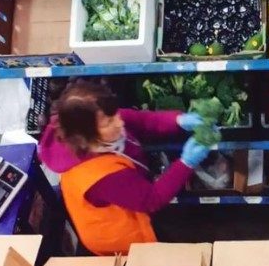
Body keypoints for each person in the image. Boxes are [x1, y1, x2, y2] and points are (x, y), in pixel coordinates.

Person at [39, 81, 211, 256]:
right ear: (84, 137)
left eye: (115, 114)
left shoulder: (101, 120)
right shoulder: (99, 176)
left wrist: (177, 120)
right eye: (109, 122)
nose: (119, 123)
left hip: (131, 198)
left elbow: (142, 120)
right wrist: (186, 163)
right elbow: (151, 199)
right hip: (119, 237)